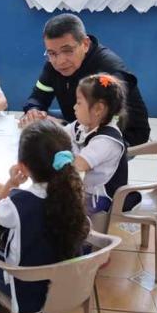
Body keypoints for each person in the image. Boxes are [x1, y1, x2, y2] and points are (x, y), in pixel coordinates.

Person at [0, 120, 90, 313]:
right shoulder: (73, 193)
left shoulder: (18, 203)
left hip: (29, 295)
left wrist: (10, 183)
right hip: (68, 289)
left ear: (23, 167)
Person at [21, 14, 150, 146]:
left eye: (68, 51)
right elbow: (38, 97)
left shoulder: (109, 71)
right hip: (78, 119)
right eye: (52, 53)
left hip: (121, 135)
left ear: (85, 44)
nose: (59, 61)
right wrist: (33, 111)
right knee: (34, 121)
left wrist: (62, 126)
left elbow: (105, 125)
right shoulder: (53, 64)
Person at [64, 73, 140, 215]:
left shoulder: (106, 141)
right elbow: (60, 134)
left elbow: (78, 165)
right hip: (85, 187)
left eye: (79, 103)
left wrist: (58, 156)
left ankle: (75, 235)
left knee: (60, 208)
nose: (74, 107)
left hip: (101, 196)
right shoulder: (84, 125)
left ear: (98, 109)